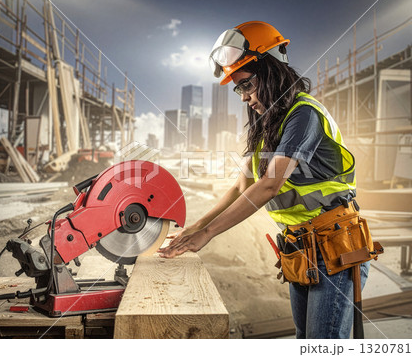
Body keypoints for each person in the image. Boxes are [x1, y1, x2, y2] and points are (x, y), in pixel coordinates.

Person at [158, 21, 372, 339]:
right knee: (305, 340)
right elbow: (241, 186)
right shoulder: (269, 127)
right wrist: (195, 228)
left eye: (247, 85)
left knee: (321, 344)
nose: (243, 97)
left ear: (271, 72)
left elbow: (269, 185)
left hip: (335, 249)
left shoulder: (304, 115)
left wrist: (209, 234)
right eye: (238, 89)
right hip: (301, 249)